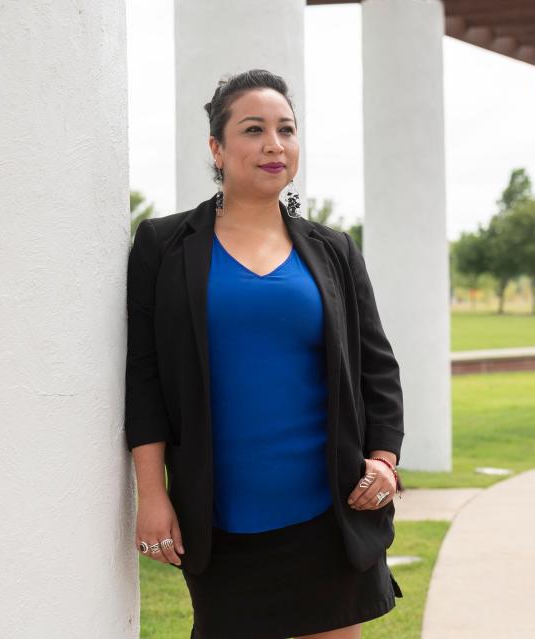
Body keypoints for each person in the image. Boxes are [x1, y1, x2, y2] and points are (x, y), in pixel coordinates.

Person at [124, 68, 405, 639]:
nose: (274, 145)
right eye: (253, 130)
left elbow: (376, 366)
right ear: (217, 148)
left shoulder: (333, 250)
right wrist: (151, 496)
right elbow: (145, 379)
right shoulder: (163, 246)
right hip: (221, 521)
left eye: (286, 129)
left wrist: (384, 461)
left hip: (330, 518)